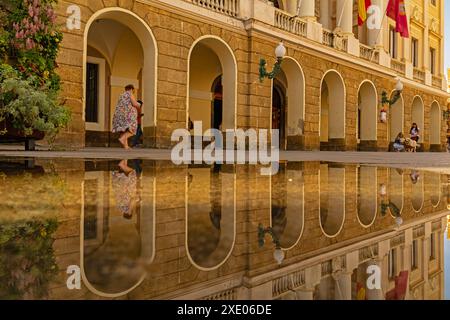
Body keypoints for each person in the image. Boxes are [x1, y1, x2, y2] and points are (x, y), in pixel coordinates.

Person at [112, 84, 140, 149]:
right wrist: (139, 104)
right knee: (133, 128)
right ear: (132, 89)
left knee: (123, 130)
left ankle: (126, 146)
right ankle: (122, 139)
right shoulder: (130, 94)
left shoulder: (122, 95)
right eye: (133, 90)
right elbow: (134, 104)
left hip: (119, 115)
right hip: (127, 115)